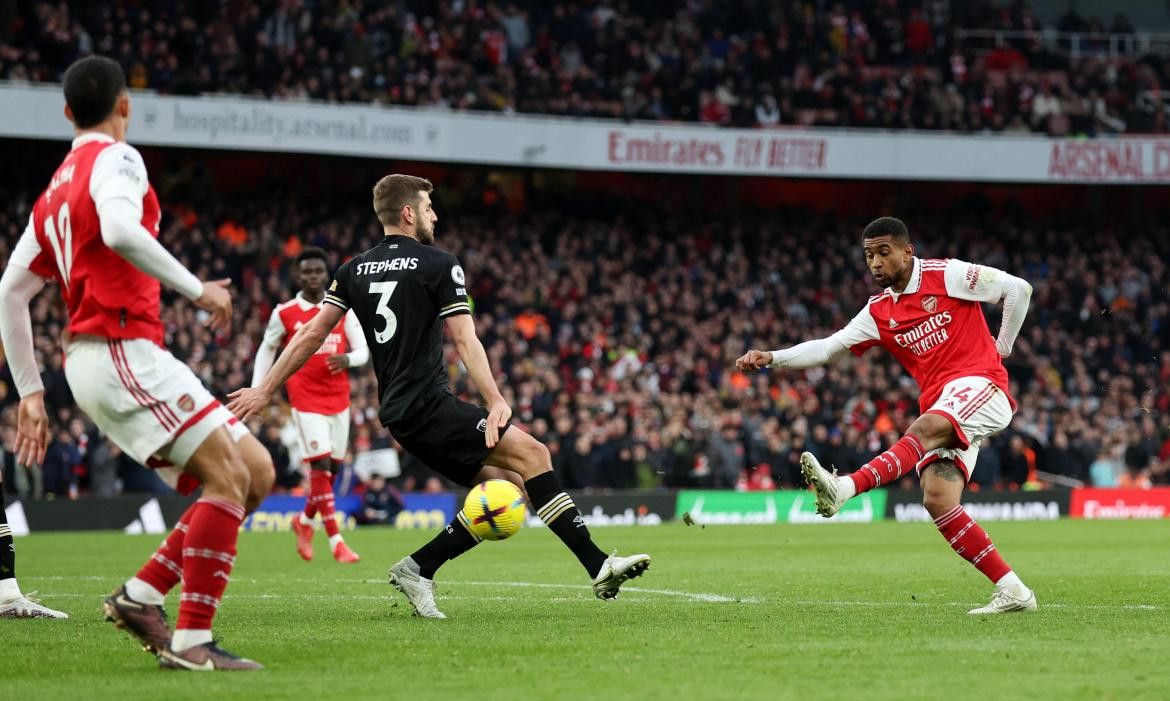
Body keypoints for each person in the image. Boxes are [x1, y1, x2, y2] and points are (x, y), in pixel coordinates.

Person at [230, 174, 650, 618]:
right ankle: (599, 565)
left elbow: (311, 334)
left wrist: (264, 390)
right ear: (409, 213)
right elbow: (466, 341)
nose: (436, 215)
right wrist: (496, 400)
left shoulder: (352, 269)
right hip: (428, 405)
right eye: (429, 208)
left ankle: (418, 567)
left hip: (397, 413)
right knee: (534, 454)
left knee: (505, 488)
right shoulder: (439, 263)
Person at [0, 56, 274, 668]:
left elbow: (11, 292)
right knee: (228, 478)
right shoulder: (118, 158)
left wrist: (30, 392)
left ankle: (141, 595)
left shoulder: (53, 192)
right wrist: (198, 289)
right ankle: (190, 641)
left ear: (68, 113)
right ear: (126, 106)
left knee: (255, 471)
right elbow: (122, 230)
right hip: (119, 349)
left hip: (108, 356)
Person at [736, 216, 1036, 615]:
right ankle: (1014, 591)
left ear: (907, 251)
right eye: (868, 255)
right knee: (938, 499)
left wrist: (1002, 348)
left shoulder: (946, 274)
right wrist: (772, 357)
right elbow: (828, 347)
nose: (875, 263)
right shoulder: (878, 311)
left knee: (925, 428)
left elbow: (1018, 289)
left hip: (982, 387)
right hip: (943, 402)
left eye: (883, 252)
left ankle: (844, 489)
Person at [252, 246, 369, 563]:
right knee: (318, 465)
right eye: (307, 271)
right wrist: (258, 389)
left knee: (330, 472)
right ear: (297, 275)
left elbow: (363, 351)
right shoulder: (285, 312)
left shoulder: (343, 310)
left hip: (339, 401)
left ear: (326, 273)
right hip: (305, 401)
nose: (313, 277)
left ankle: (303, 522)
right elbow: (266, 348)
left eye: (318, 271)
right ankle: (336, 541)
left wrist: (347, 358)